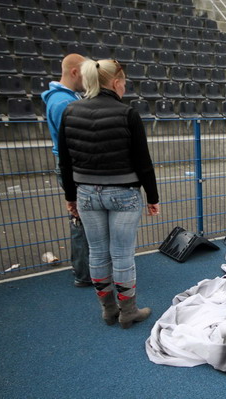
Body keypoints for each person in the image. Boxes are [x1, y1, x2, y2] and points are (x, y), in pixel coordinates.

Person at [57, 59, 160, 329]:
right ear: (116, 83)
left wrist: (70, 197)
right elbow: (143, 162)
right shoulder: (128, 114)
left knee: (98, 254)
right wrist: (152, 197)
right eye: (124, 83)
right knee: (122, 254)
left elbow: (65, 162)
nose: (125, 88)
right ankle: (129, 312)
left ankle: (108, 310)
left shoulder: (70, 111)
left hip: (86, 194)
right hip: (124, 194)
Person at [41, 53, 91, 287]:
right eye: (84, 74)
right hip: (73, 168)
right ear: (74, 72)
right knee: (81, 221)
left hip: (71, 167)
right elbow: (73, 142)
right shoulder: (63, 102)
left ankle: (86, 269)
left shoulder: (66, 98)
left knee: (82, 219)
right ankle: (84, 273)